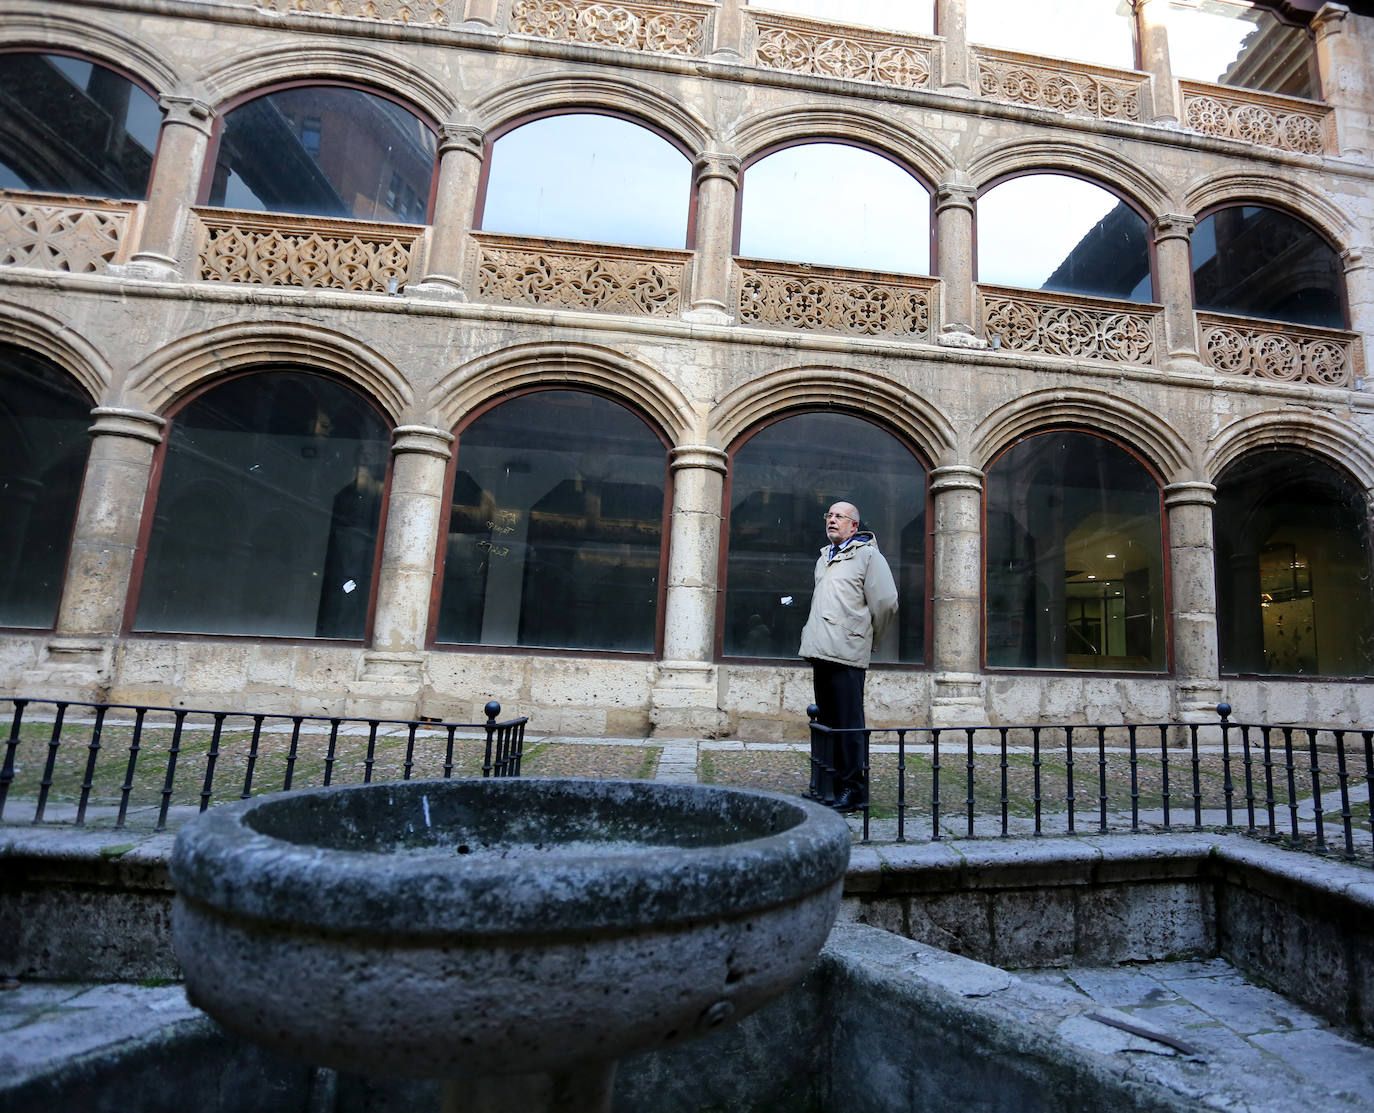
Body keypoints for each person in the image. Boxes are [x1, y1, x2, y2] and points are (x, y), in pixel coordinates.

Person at [798, 501, 898, 812]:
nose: (832, 520)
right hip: (821, 650)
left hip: (847, 652)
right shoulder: (824, 558)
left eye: (839, 516)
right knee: (827, 723)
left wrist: (871, 638)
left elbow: (886, 602)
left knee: (848, 726)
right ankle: (828, 786)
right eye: (829, 515)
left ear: (854, 526)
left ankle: (853, 790)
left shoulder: (867, 555)